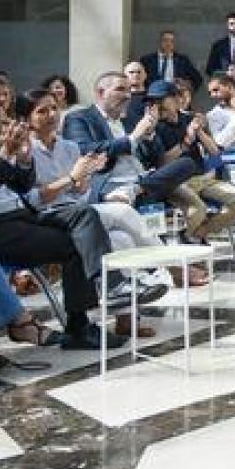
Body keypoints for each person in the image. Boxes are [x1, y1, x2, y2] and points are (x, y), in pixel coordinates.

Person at [19, 90, 170, 335]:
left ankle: (125, 317)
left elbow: (80, 194)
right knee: (121, 212)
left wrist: (82, 183)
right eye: (41, 111)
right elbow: (31, 200)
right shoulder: (25, 151)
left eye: (54, 109)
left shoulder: (68, 147)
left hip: (78, 213)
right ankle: (165, 267)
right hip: (47, 217)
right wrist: (72, 178)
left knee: (122, 239)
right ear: (26, 119)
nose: (51, 115)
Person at [0, 110, 142, 351]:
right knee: (75, 243)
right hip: (2, 226)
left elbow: (19, 184)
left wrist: (22, 158)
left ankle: (103, 297)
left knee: (84, 220)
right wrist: (5, 153)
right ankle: (82, 324)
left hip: (21, 215)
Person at [65, 71, 207, 286]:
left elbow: (155, 156)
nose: (127, 96)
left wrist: (149, 135)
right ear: (100, 92)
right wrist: (133, 137)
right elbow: (84, 149)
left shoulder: (131, 119)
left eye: (129, 91)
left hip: (141, 184)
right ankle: (171, 267)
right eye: (120, 89)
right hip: (109, 185)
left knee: (187, 163)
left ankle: (134, 190)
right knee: (125, 231)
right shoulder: (79, 118)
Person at [148, 79, 235, 242]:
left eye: (161, 99)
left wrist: (199, 132)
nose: (156, 104)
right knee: (198, 209)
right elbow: (162, 164)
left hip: (201, 178)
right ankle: (192, 245)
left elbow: (214, 152)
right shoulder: (154, 127)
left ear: (176, 99)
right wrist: (187, 141)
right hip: (175, 182)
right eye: (153, 101)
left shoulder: (189, 118)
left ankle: (195, 234)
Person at [119, 61, 149, 130]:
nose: (135, 75)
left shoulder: (153, 97)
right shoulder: (118, 98)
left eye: (139, 72)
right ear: (124, 75)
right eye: (131, 72)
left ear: (145, 75)